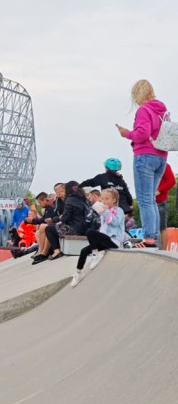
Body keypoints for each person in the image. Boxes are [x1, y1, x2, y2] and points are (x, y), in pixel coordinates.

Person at [116, 79, 168, 248]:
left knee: (145, 200)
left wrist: (127, 134)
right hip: (161, 156)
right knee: (151, 200)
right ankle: (153, 238)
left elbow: (142, 133)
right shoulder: (163, 111)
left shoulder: (144, 110)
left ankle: (150, 238)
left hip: (145, 154)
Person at [73, 188, 126, 286]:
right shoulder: (104, 212)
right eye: (102, 199)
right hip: (104, 240)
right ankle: (78, 272)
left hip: (114, 240)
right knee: (84, 251)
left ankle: (95, 254)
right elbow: (102, 228)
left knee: (90, 232)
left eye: (107, 199)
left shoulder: (118, 210)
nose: (104, 201)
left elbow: (115, 223)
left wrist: (106, 212)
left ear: (114, 200)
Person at [155, 163, 175, 236]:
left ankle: (163, 247)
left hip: (160, 200)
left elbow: (172, 180)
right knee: (151, 227)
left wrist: (159, 190)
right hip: (149, 201)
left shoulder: (164, 165)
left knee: (162, 228)